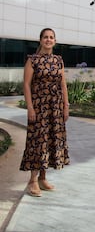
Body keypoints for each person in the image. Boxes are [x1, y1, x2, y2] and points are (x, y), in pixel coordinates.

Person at [20, 28, 70, 197]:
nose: (48, 40)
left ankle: (42, 178)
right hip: (39, 107)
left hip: (55, 108)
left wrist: (65, 106)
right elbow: (26, 84)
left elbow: (63, 85)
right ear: (40, 40)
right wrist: (30, 107)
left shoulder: (59, 60)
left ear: (54, 41)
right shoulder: (32, 60)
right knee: (38, 141)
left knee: (50, 141)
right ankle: (32, 181)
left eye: (51, 37)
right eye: (45, 37)